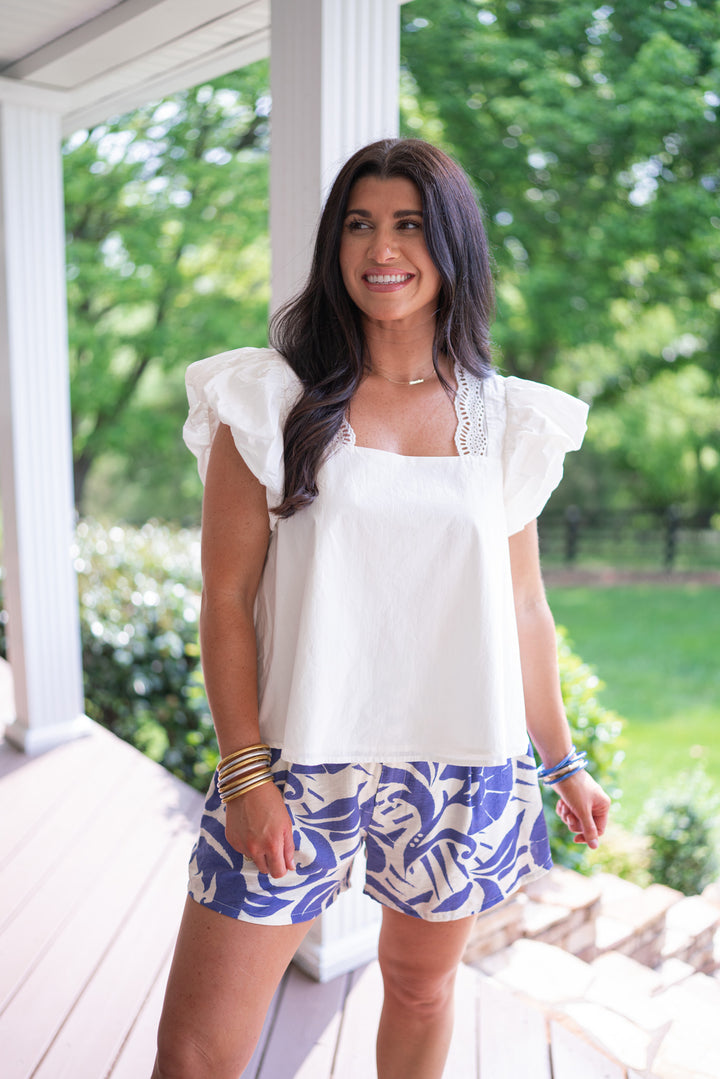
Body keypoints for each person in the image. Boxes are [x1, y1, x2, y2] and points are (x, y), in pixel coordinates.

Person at [152, 138, 610, 1079]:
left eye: (408, 224)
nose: (381, 247)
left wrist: (562, 759)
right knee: (196, 1053)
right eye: (359, 224)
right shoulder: (269, 399)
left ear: (452, 246)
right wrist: (245, 772)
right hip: (292, 759)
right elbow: (226, 598)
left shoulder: (506, 420)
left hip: (460, 766)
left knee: (420, 990)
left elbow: (524, 604)